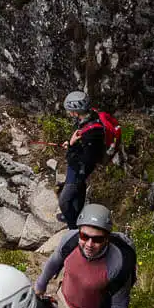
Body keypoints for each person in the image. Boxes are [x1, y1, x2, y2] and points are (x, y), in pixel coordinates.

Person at [58, 91, 112, 228]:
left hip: (79, 170)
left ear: (76, 112)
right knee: (78, 191)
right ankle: (74, 214)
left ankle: (73, 227)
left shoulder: (93, 132)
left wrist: (71, 145)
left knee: (64, 201)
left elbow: (83, 160)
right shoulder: (89, 117)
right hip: (78, 167)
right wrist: (73, 143)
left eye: (71, 111)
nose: (70, 113)